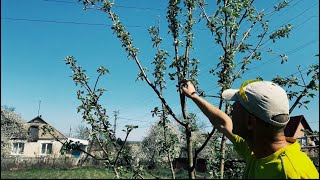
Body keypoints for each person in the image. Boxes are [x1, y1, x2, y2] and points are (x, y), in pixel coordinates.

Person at [180, 79, 319, 179]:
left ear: (250, 122)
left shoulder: (292, 173)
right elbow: (223, 123)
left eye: (235, 108)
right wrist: (193, 95)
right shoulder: (256, 150)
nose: (230, 113)